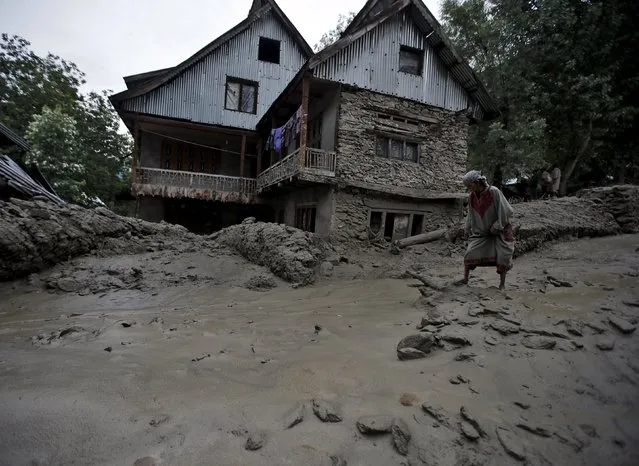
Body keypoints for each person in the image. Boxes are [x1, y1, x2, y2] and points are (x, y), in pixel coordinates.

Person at [456, 170, 515, 290]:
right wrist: (467, 228)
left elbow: (507, 211)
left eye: (470, 185)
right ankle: (465, 279)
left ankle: (502, 285)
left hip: (499, 231)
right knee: (469, 254)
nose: (468, 188)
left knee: (503, 257)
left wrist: (497, 226)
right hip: (481, 232)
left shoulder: (494, 192)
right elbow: (470, 214)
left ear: (477, 182)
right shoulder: (472, 196)